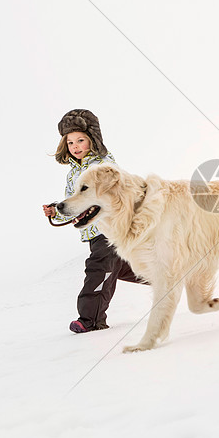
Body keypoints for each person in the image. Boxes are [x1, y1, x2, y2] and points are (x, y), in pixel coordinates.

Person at [43, 109, 146, 334]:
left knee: (98, 269)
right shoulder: (73, 174)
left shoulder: (103, 165)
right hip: (93, 234)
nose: (76, 146)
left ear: (93, 139)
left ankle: (89, 319)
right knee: (125, 268)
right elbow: (74, 204)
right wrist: (57, 212)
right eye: (70, 142)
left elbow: (121, 188)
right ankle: (170, 278)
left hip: (109, 230)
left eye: (81, 140)